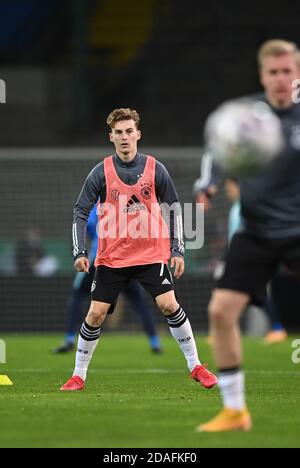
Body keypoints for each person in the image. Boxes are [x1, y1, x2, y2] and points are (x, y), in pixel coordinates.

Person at [60, 107, 217, 391]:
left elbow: (173, 209)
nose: (124, 137)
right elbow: (80, 211)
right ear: (111, 137)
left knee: (169, 304)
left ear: (138, 134)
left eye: (129, 131)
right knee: (95, 314)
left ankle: (195, 366)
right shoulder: (100, 171)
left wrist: (178, 250)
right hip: (112, 257)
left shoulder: (156, 169)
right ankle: (78, 375)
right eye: (118, 132)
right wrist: (79, 251)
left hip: (150, 254)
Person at [193, 39, 300, 432]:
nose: (281, 79)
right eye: (273, 72)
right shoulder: (248, 117)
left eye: (287, 71)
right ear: (262, 75)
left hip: (298, 228)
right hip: (255, 229)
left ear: (297, 73)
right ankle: (235, 411)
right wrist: (206, 187)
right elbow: (217, 151)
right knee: (221, 313)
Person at [54, 204, 163, 354]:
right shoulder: (129, 200)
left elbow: (90, 227)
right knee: (139, 301)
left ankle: (69, 338)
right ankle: (154, 341)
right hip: (128, 260)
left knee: (78, 295)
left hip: (101, 261)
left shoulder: (97, 201)